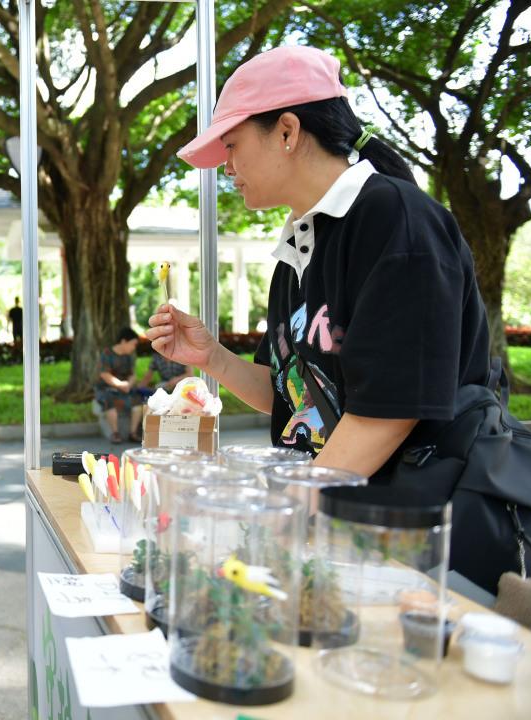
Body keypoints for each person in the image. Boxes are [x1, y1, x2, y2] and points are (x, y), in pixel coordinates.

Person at [148, 45, 489, 482]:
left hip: (411, 515)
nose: (227, 168)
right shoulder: (298, 248)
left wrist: (291, 505)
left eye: (232, 145)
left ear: (287, 131)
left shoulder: (395, 221)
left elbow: (389, 412)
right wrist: (212, 357)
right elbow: (291, 393)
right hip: (332, 510)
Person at [94, 327, 147, 444]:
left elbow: (132, 374)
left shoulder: (130, 356)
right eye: (133, 344)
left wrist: (128, 384)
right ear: (123, 341)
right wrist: (120, 384)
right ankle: (115, 433)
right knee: (109, 401)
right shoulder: (107, 354)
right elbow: (104, 374)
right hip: (106, 388)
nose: (134, 347)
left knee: (138, 402)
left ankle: (133, 433)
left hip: (124, 388)